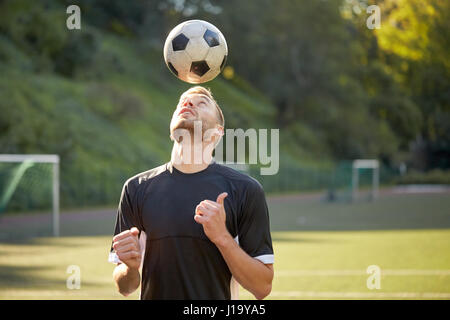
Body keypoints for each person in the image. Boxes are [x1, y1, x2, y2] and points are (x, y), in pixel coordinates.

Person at [109, 86, 274, 300]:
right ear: (171, 130)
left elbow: (262, 288)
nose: (188, 103)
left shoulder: (246, 190)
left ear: (217, 132)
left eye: (201, 103)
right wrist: (130, 268)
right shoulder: (136, 188)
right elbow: (125, 287)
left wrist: (223, 237)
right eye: (182, 102)